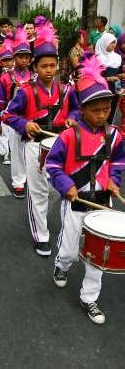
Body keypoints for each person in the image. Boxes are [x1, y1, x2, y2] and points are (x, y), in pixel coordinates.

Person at [46, 54, 125, 324]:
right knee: (69, 249)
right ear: (83, 109)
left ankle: (89, 298)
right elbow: (52, 165)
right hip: (76, 202)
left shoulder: (114, 135)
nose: (102, 114)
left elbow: (118, 160)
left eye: (106, 109)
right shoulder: (69, 136)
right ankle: (61, 265)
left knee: (96, 257)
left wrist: (114, 179)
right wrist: (66, 185)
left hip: (103, 202)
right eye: (96, 110)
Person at [3, 23, 80, 257]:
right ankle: (41, 235)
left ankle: (44, 217)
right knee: (37, 193)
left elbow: (77, 111)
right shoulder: (26, 92)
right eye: (44, 65)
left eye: (52, 65)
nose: (49, 70)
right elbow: (7, 114)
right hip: (35, 146)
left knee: (57, 190)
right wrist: (24, 124)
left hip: (61, 146)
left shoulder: (66, 90)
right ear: (35, 67)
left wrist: (73, 119)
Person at [95, 32, 122, 123]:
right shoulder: (98, 58)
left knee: (111, 111)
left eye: (115, 42)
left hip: (114, 90)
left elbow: (119, 72)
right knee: (100, 112)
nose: (114, 45)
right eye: (111, 42)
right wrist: (107, 79)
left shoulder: (117, 58)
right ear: (105, 43)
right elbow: (94, 77)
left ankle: (108, 133)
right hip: (101, 89)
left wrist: (120, 76)